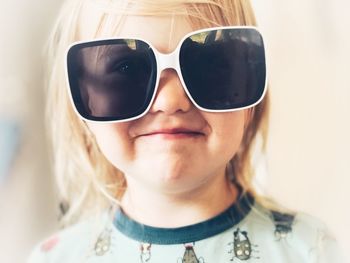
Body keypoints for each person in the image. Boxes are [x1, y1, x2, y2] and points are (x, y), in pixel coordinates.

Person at [28, 0, 344, 262]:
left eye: (209, 64)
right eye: (127, 68)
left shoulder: (311, 250)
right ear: (82, 107)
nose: (170, 101)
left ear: (249, 102)